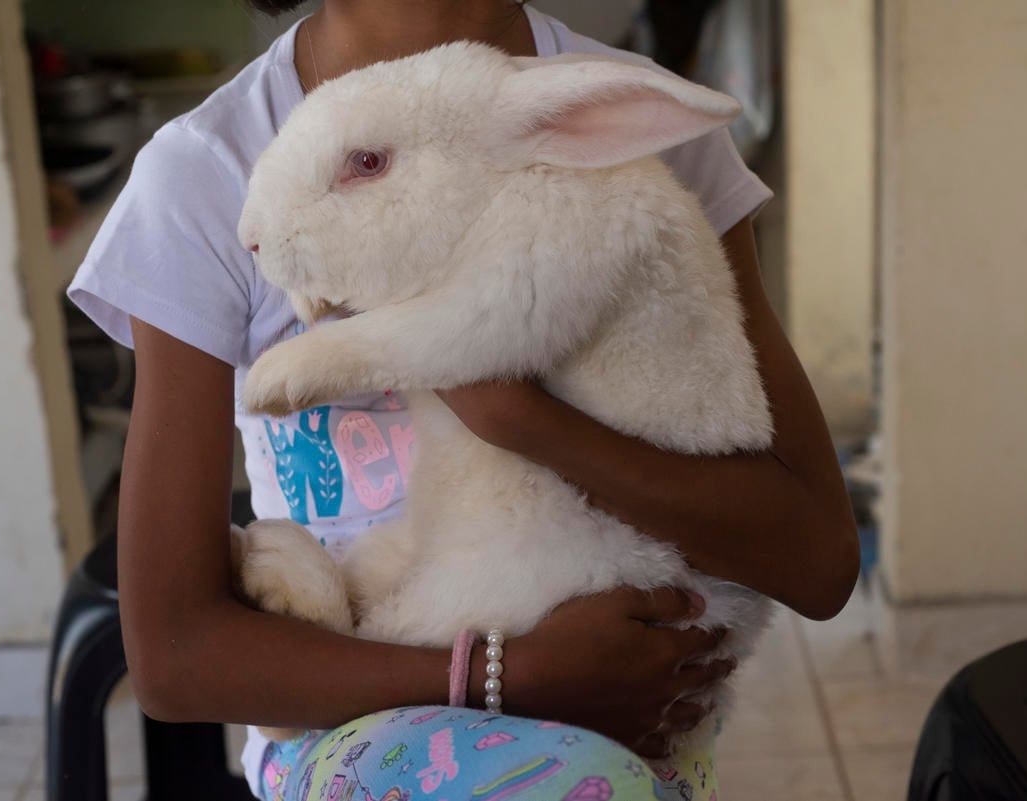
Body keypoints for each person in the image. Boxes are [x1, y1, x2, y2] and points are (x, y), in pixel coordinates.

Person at [67, 1, 859, 798]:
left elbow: (818, 562)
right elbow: (171, 658)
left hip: (637, 713)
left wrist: (518, 417)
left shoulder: (629, 119)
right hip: (345, 721)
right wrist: (508, 677)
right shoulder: (205, 172)